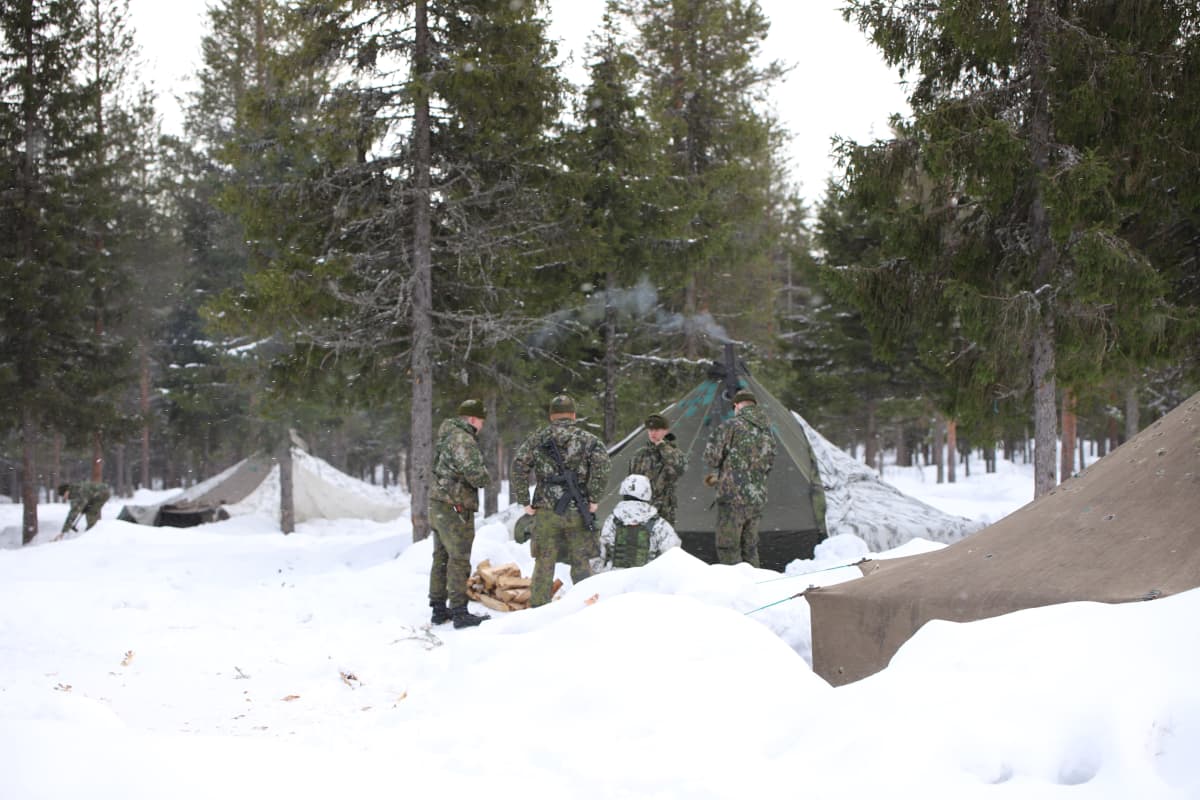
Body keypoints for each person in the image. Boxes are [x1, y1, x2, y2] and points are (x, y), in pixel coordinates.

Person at [510, 394, 611, 607]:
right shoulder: (589, 440)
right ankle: (588, 608)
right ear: (573, 415)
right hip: (578, 509)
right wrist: (593, 498)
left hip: (546, 512)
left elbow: (519, 466)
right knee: (581, 563)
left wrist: (524, 501)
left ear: (551, 416)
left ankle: (538, 609)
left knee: (544, 563)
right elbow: (602, 468)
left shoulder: (537, 438)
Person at [428, 399, 492, 628]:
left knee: (441, 556)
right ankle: (459, 611)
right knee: (459, 558)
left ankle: (438, 607)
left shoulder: (446, 434)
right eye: (481, 421)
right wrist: (486, 474)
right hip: (455, 505)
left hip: (438, 503)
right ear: (473, 419)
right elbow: (477, 475)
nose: (482, 426)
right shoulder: (463, 439)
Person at [703, 388, 776, 567]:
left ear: (736, 405)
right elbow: (769, 465)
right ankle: (755, 585)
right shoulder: (768, 432)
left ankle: (734, 589)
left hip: (732, 498)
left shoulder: (731, 426)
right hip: (757, 498)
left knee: (728, 547)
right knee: (750, 547)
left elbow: (711, 457)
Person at [594, 474, 680, 572]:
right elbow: (673, 552)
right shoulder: (658, 523)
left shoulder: (613, 519)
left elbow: (600, 551)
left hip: (616, 578)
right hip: (645, 578)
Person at [627, 413, 688, 525]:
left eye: (656, 430)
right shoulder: (640, 454)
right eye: (650, 430)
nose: (653, 433)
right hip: (642, 509)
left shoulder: (674, 453)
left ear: (665, 431)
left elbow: (680, 469)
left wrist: (662, 446)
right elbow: (630, 482)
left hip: (664, 509)